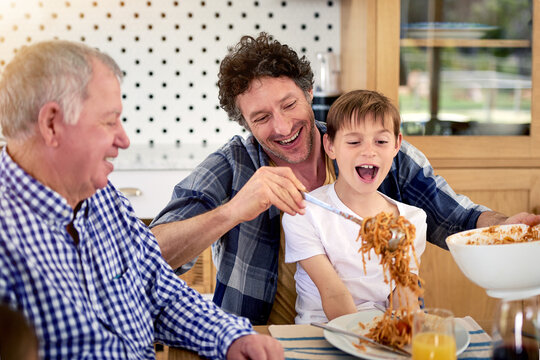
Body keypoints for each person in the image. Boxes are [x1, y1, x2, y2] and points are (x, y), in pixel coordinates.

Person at [150, 32, 540, 325]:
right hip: (258, 339)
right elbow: (146, 257)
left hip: (379, 333)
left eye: (289, 105)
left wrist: (504, 227)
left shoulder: (369, 149)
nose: (283, 126)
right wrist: (231, 212)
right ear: (246, 124)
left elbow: (457, 217)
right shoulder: (230, 165)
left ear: (309, 92)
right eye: (262, 118)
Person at [0, 40, 283, 360]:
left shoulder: (104, 200)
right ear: (51, 124)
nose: (123, 139)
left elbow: (160, 293)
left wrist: (231, 338)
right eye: (109, 121)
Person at [282, 90, 426, 324]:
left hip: (381, 334)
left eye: (381, 141)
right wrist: (361, 343)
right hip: (319, 331)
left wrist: (404, 335)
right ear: (330, 145)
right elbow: (333, 292)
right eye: (353, 142)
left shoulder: (410, 220)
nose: (369, 151)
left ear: (397, 145)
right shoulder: (306, 212)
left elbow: (402, 292)